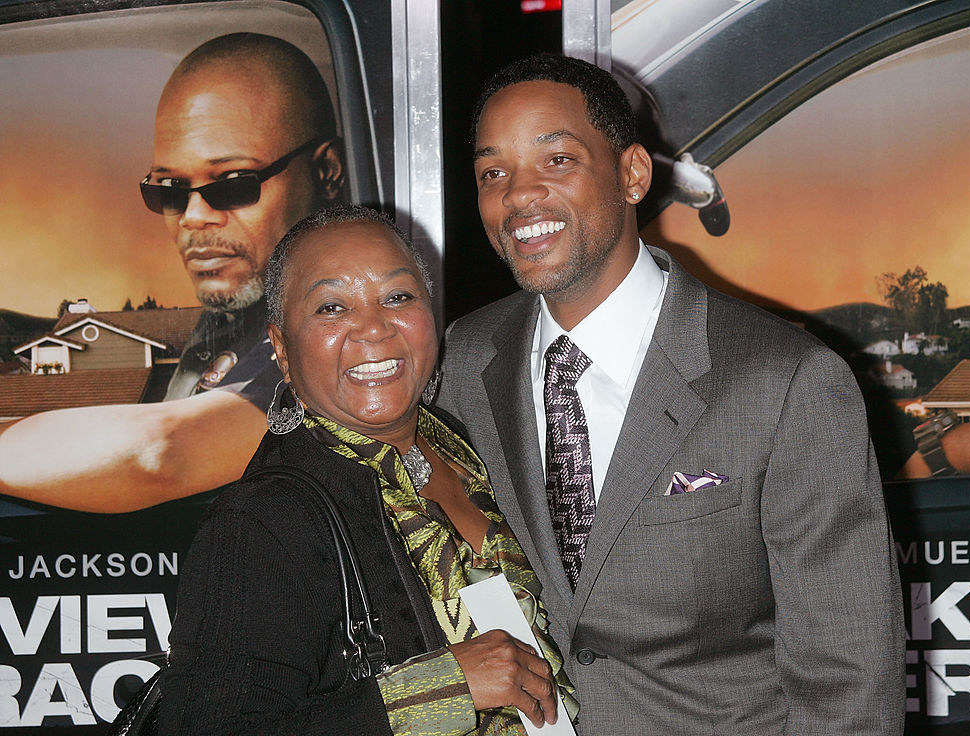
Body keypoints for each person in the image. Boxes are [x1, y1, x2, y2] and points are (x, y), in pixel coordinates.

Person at [436, 53, 905, 735]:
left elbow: (849, 684)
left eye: (557, 160)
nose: (518, 196)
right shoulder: (462, 361)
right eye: (492, 173)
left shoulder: (786, 381)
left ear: (631, 174)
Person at [162, 205, 576, 735]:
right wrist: (442, 689)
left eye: (398, 297)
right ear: (282, 349)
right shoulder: (261, 522)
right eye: (332, 307)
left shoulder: (472, 448)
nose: (374, 328)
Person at [0, 33, 343, 511]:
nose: (193, 216)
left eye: (232, 184)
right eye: (169, 190)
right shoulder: (236, 321)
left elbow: (162, 454)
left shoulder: (341, 323)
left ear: (326, 171)